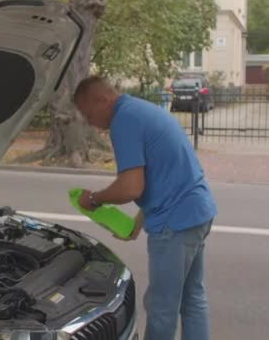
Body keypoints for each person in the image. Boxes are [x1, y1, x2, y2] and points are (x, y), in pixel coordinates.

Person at [73, 76, 217, 340]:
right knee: (192, 297)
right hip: (198, 211)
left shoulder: (123, 121)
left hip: (175, 223)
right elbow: (160, 176)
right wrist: (138, 224)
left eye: (86, 113)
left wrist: (94, 199)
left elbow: (131, 187)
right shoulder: (140, 110)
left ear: (102, 100)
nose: (88, 121)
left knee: (161, 307)